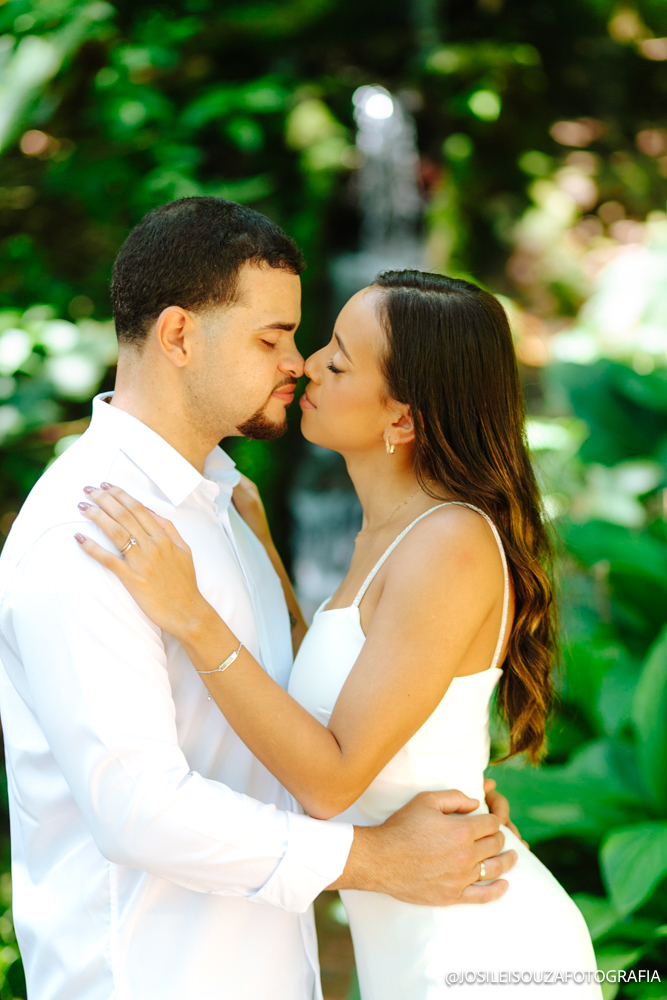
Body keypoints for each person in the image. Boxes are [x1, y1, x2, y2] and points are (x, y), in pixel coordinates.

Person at [0, 198, 517, 1000]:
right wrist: (379, 856)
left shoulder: (226, 504)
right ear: (178, 337)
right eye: (271, 337)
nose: (298, 362)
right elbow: (135, 807)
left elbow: (298, 725)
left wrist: (420, 787)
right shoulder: (92, 530)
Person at [78, 263, 602, 997]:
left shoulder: (447, 543)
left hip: (478, 949)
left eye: (339, 359)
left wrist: (190, 613)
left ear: (403, 419)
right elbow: (327, 703)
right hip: (416, 937)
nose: (305, 364)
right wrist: (259, 550)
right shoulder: (386, 537)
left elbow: (328, 779)